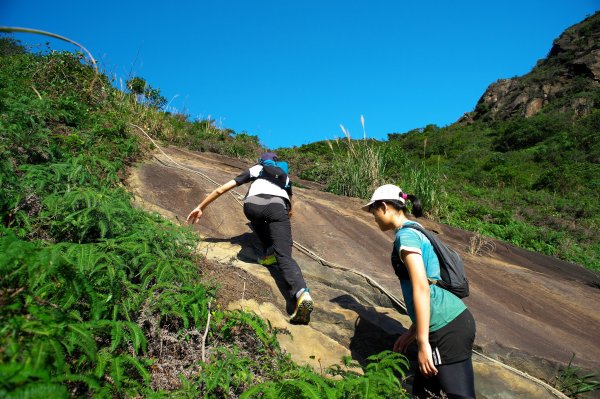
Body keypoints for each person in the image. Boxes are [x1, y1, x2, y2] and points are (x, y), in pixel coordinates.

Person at [362, 184, 476, 399]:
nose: (373, 217)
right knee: (421, 392)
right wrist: (413, 331)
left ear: (385, 207)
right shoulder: (417, 229)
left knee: (459, 395)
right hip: (452, 319)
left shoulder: (406, 237)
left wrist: (422, 343)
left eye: (373, 211)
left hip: (445, 327)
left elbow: (422, 286)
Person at [187, 152, 314, 324]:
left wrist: (201, 207)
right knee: (284, 256)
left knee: (259, 221)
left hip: (252, 206)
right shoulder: (285, 178)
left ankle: (269, 254)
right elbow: (290, 206)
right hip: (278, 207)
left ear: (262, 161)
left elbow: (222, 189)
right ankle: (302, 294)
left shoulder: (258, 168)